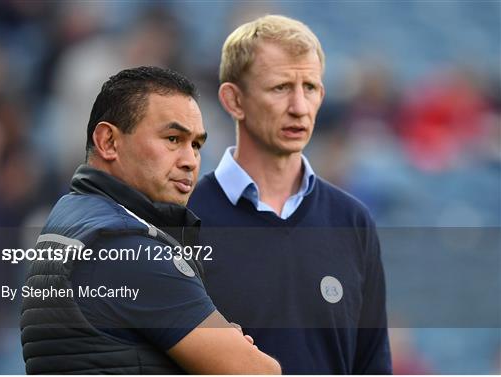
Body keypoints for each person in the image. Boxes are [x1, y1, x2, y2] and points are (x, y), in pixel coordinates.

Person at [20, 66, 281, 374]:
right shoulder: (125, 247)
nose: (190, 161)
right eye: (173, 138)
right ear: (108, 142)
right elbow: (257, 372)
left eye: (196, 145)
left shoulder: (72, 216)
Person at [188, 15, 392, 374]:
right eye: (280, 87)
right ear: (234, 100)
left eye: (310, 88)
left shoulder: (353, 221)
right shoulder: (180, 220)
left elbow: (372, 362)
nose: (299, 106)